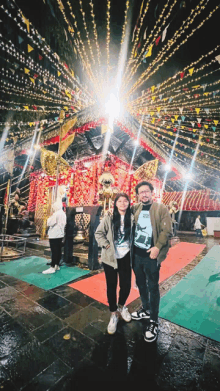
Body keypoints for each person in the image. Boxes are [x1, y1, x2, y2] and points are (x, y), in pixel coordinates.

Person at [131, 181, 172, 342]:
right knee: (141, 283)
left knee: (153, 286)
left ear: (151, 192)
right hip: (136, 255)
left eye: (147, 191)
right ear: (138, 195)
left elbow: (166, 230)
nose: (144, 194)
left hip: (151, 256)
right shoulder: (136, 208)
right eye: (141, 192)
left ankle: (153, 320)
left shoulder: (160, 208)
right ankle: (145, 309)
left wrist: (157, 247)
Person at [95, 193, 133, 335]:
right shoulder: (109, 217)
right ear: (115, 203)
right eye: (120, 201)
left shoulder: (132, 218)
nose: (123, 203)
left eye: (125, 201)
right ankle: (113, 314)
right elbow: (98, 233)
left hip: (126, 257)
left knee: (126, 285)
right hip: (110, 258)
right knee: (111, 286)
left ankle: (121, 307)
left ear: (129, 203)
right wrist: (106, 245)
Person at [43, 201, 66, 274]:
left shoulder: (56, 214)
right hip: (60, 235)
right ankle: (57, 265)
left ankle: (52, 267)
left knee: (54, 251)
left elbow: (49, 223)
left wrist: (49, 218)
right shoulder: (63, 214)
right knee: (58, 251)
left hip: (54, 235)